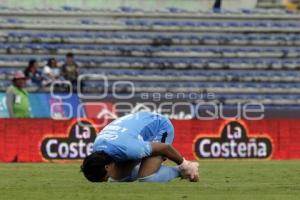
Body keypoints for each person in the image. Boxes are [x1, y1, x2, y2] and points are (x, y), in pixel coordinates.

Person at [81, 112, 199, 183]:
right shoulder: (97, 150)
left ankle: (180, 172)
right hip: (136, 131)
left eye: (104, 178)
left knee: (147, 178)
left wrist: (184, 165)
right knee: (117, 178)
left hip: (159, 128)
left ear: (107, 166)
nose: (106, 180)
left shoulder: (129, 149)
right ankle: (145, 166)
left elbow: (164, 148)